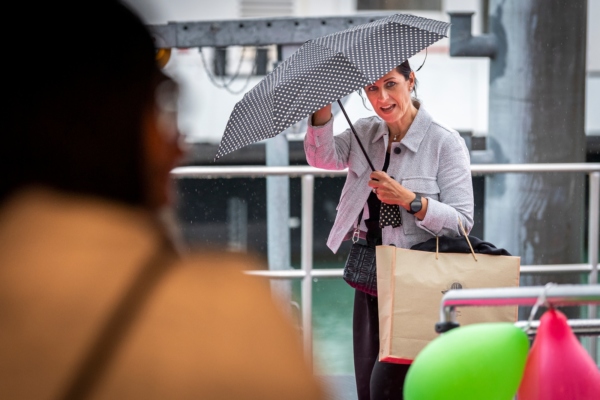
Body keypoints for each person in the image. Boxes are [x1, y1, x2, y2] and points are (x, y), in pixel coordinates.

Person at [0, 2, 324, 399]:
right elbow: (323, 157)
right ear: (108, 120)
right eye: (160, 105)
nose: (177, 146)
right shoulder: (227, 310)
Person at [304, 61, 474, 399]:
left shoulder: (445, 142)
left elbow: (462, 221)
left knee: (408, 381)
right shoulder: (364, 132)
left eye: (390, 84)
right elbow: (321, 156)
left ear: (411, 81)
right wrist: (322, 104)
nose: (382, 97)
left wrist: (411, 201)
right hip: (369, 272)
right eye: (371, 88)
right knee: (369, 378)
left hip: (419, 279)